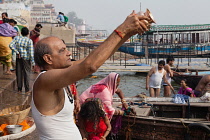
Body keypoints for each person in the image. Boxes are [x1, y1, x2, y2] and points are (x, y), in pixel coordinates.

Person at [31, 10, 149, 139]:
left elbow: (97, 59)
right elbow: (90, 66)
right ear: (48, 59)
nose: (69, 53)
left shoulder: (60, 75)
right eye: (62, 50)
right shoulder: (45, 79)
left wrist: (129, 33)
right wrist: (122, 28)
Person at [9, 27, 34, 93]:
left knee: (19, 73)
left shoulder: (17, 38)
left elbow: (10, 45)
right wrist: (33, 62)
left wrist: (17, 52)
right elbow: (31, 53)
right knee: (27, 73)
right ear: (28, 33)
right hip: (26, 59)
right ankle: (27, 89)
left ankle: (19, 89)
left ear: (21, 32)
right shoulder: (29, 41)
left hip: (19, 58)